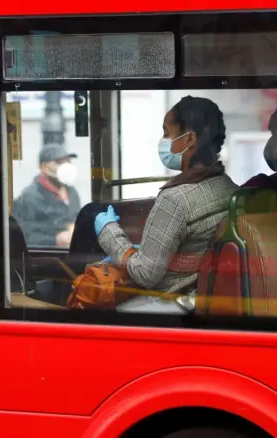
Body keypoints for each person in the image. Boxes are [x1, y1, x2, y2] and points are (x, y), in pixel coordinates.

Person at [94, 96, 238, 314]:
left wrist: (108, 232)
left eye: (167, 133)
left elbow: (146, 274)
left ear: (189, 139)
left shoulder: (176, 199)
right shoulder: (226, 185)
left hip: (170, 305)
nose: (163, 140)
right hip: (199, 299)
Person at [13, 144, 81, 248]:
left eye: (68, 161)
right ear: (43, 167)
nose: (66, 166)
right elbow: (23, 236)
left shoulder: (72, 192)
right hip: (47, 259)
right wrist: (55, 240)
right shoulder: (29, 198)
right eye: (59, 162)